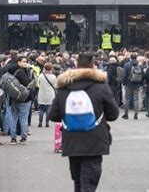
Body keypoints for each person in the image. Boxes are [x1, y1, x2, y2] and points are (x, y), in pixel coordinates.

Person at [50, 52, 119, 192]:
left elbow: (53, 115)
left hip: (72, 139)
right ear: (93, 66)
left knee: (78, 182)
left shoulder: (63, 88)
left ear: (76, 66)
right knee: (89, 183)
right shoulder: (101, 87)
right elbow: (113, 114)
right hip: (95, 139)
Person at [8, 55, 33, 145]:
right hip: (25, 99)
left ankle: (13, 138)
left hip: (14, 98)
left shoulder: (11, 71)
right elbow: (27, 83)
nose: (26, 63)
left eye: (26, 61)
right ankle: (23, 137)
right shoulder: (21, 72)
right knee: (23, 119)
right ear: (18, 62)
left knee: (13, 118)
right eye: (24, 61)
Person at [122, 53, 144, 119]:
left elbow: (124, 75)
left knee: (127, 99)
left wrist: (124, 83)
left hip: (129, 84)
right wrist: (140, 83)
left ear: (130, 58)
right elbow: (142, 75)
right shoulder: (139, 65)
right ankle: (136, 114)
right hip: (137, 84)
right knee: (136, 99)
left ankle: (126, 114)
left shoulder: (127, 65)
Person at [37, 62, 56, 127]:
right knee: (49, 109)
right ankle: (47, 122)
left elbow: (38, 83)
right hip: (50, 94)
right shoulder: (53, 77)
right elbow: (55, 85)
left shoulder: (41, 76)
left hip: (42, 93)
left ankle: (40, 122)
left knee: (41, 109)